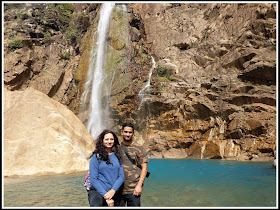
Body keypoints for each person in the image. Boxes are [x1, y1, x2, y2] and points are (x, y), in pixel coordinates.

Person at [87, 129, 124, 207]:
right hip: (98, 193)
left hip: (114, 192)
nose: (109, 141)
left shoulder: (118, 155)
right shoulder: (96, 157)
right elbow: (93, 179)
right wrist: (106, 196)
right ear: (102, 141)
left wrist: (113, 190)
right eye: (107, 139)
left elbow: (121, 176)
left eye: (111, 139)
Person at [119, 122, 149, 207]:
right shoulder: (117, 147)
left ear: (133, 133)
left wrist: (139, 186)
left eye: (130, 132)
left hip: (133, 189)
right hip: (118, 188)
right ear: (122, 132)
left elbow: (144, 168)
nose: (127, 134)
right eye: (125, 132)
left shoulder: (139, 148)